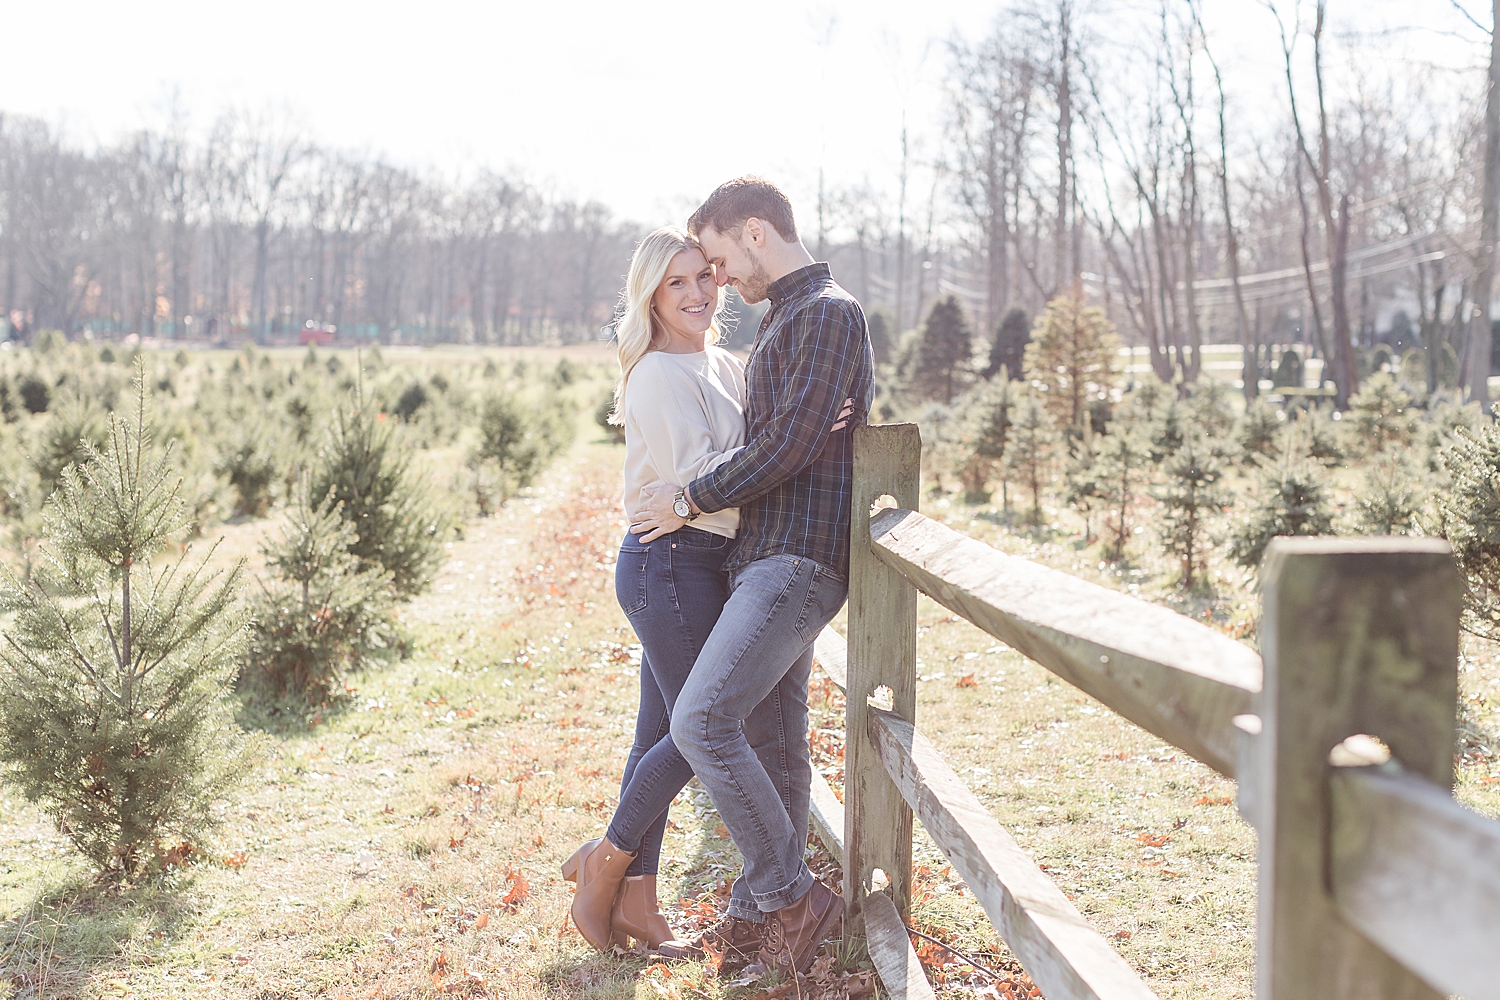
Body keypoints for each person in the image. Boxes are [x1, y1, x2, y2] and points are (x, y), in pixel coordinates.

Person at [561, 226, 851, 955]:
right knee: (701, 728)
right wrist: (796, 442)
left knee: (665, 731)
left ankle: (635, 899)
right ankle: (606, 860)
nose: (696, 294)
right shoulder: (659, 372)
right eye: (675, 284)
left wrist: (804, 426)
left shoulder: (726, 363)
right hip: (672, 561)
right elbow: (708, 484)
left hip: (706, 560)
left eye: (702, 277)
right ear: (651, 296)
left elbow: (766, 439)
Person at [633, 177, 875, 980]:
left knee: (700, 721)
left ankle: (794, 897)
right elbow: (787, 434)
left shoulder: (828, 313)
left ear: (757, 233)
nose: (720, 280)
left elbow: (788, 448)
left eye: (720, 258)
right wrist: (807, 429)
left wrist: (691, 496)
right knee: (772, 743)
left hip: (799, 560)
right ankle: (755, 917)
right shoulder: (784, 324)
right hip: (760, 561)